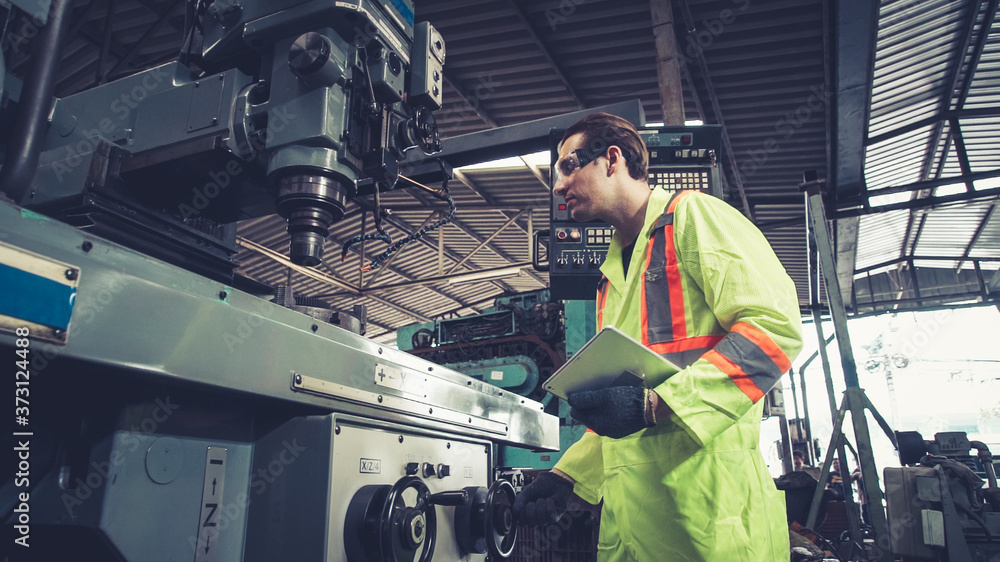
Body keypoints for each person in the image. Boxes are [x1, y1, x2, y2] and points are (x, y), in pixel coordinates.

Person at [512, 113, 803, 561]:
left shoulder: (694, 217)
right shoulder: (609, 276)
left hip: (709, 522)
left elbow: (774, 330)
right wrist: (568, 475)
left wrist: (655, 405)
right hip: (631, 528)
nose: (557, 185)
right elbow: (623, 410)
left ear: (612, 159)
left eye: (568, 166)